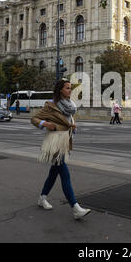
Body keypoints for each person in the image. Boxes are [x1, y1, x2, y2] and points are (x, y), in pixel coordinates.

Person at [31, 79, 91, 220]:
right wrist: (44, 123)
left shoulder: (69, 106)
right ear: (60, 90)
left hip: (66, 142)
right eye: (67, 88)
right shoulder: (51, 106)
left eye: (70, 88)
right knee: (65, 175)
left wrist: (72, 126)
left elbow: (67, 122)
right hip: (55, 143)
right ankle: (75, 207)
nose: (70, 90)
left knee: (54, 173)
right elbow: (34, 118)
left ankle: (42, 198)